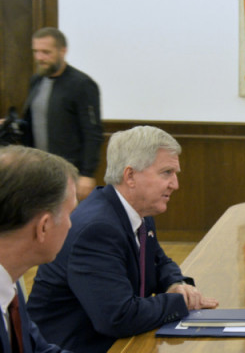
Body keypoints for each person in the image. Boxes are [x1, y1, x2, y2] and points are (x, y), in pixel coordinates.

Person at [27, 126, 218, 353]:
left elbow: (159, 262)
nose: (175, 184)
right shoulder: (97, 229)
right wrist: (181, 302)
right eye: (166, 172)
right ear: (130, 176)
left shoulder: (138, 212)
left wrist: (176, 284)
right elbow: (118, 317)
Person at [0, 145, 78, 353]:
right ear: (44, 226)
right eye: (70, 214)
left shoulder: (10, 281)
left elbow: (39, 349)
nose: (71, 224)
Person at [22, 27, 103, 200]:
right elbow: (34, 121)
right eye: (36, 51)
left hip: (69, 171)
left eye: (46, 52)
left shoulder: (82, 85)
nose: (39, 57)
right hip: (37, 169)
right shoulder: (36, 81)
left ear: (62, 51)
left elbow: (92, 132)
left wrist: (87, 173)